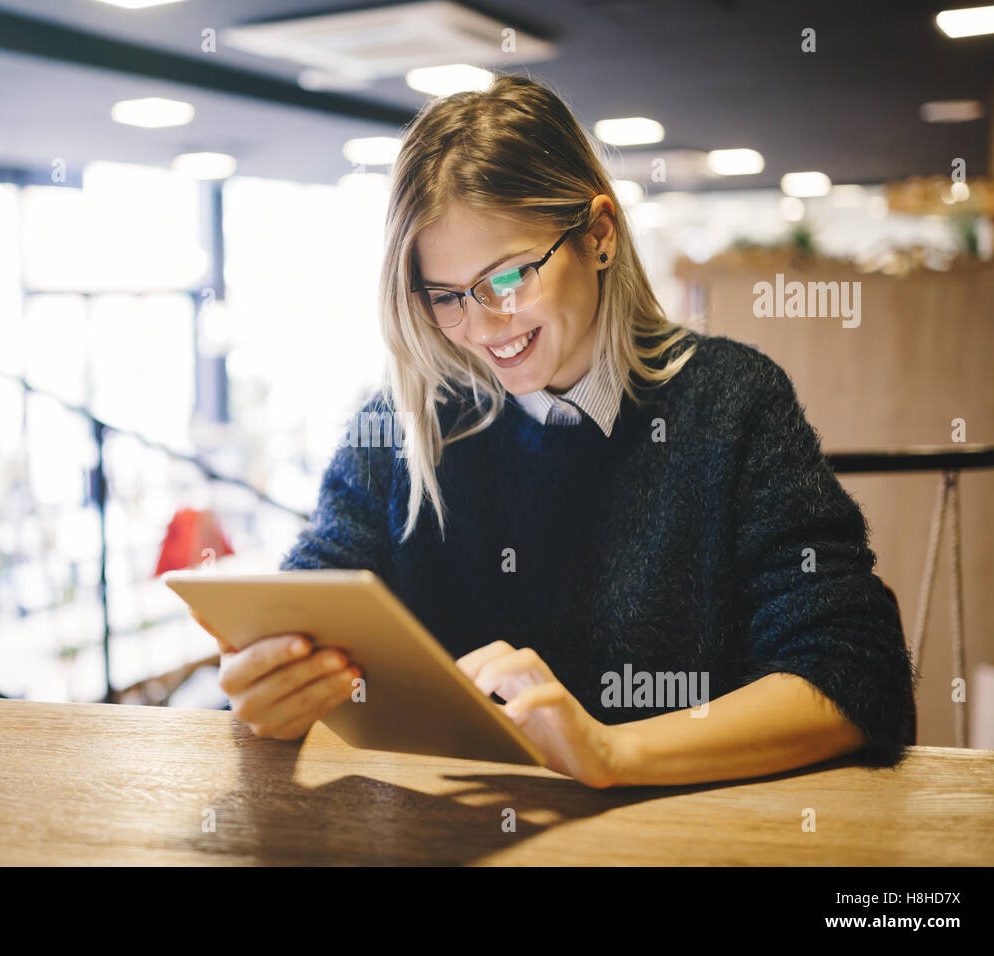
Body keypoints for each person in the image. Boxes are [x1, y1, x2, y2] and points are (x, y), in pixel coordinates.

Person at [200, 73, 916, 788]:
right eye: (447, 297)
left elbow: (852, 671)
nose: (482, 329)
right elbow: (314, 598)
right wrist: (273, 680)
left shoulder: (731, 402)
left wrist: (610, 753)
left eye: (507, 280)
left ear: (598, 236)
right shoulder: (401, 420)